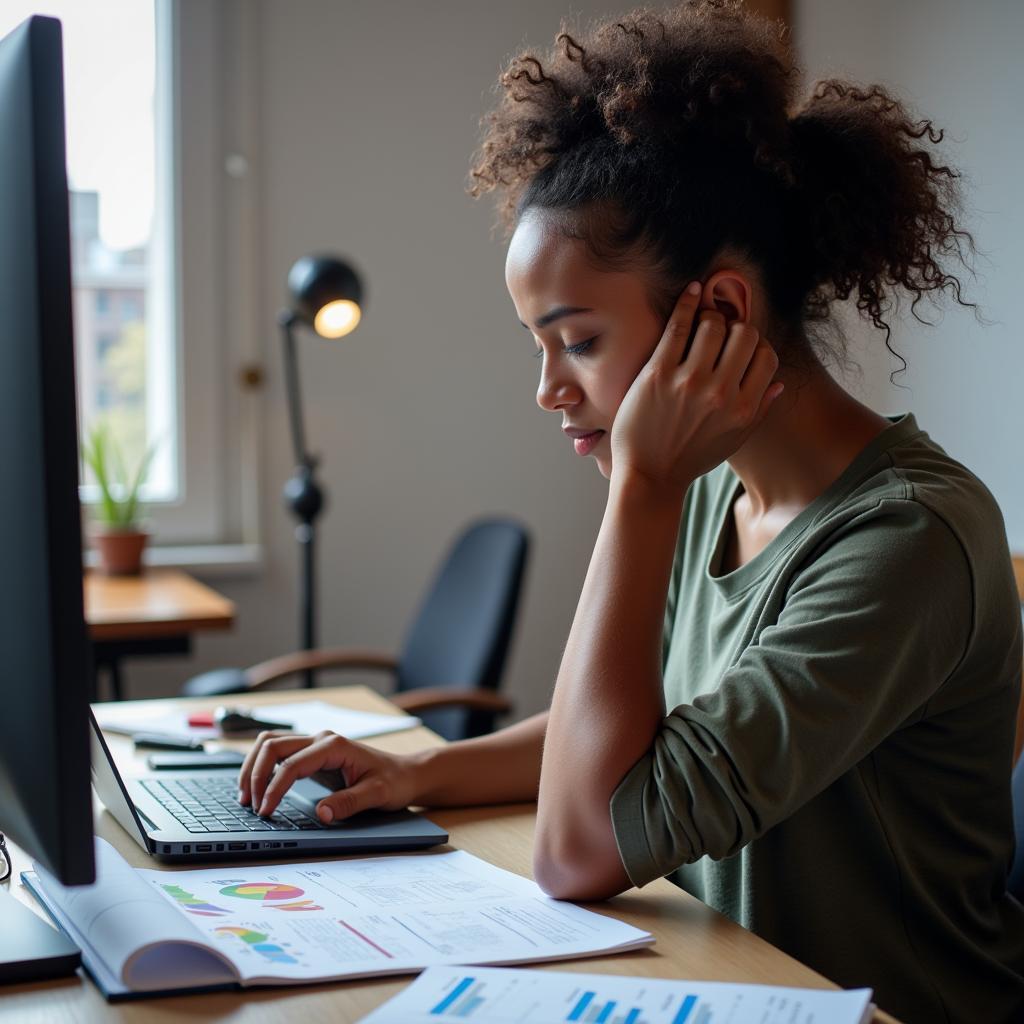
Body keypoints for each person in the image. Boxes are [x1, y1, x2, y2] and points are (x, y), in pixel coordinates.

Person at [238, 2, 1024, 1019]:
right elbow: (615, 744)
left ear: (722, 314)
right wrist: (416, 772)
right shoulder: (710, 489)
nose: (548, 388)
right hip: (717, 980)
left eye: (576, 340)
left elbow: (578, 847)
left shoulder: (904, 539)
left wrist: (641, 491)